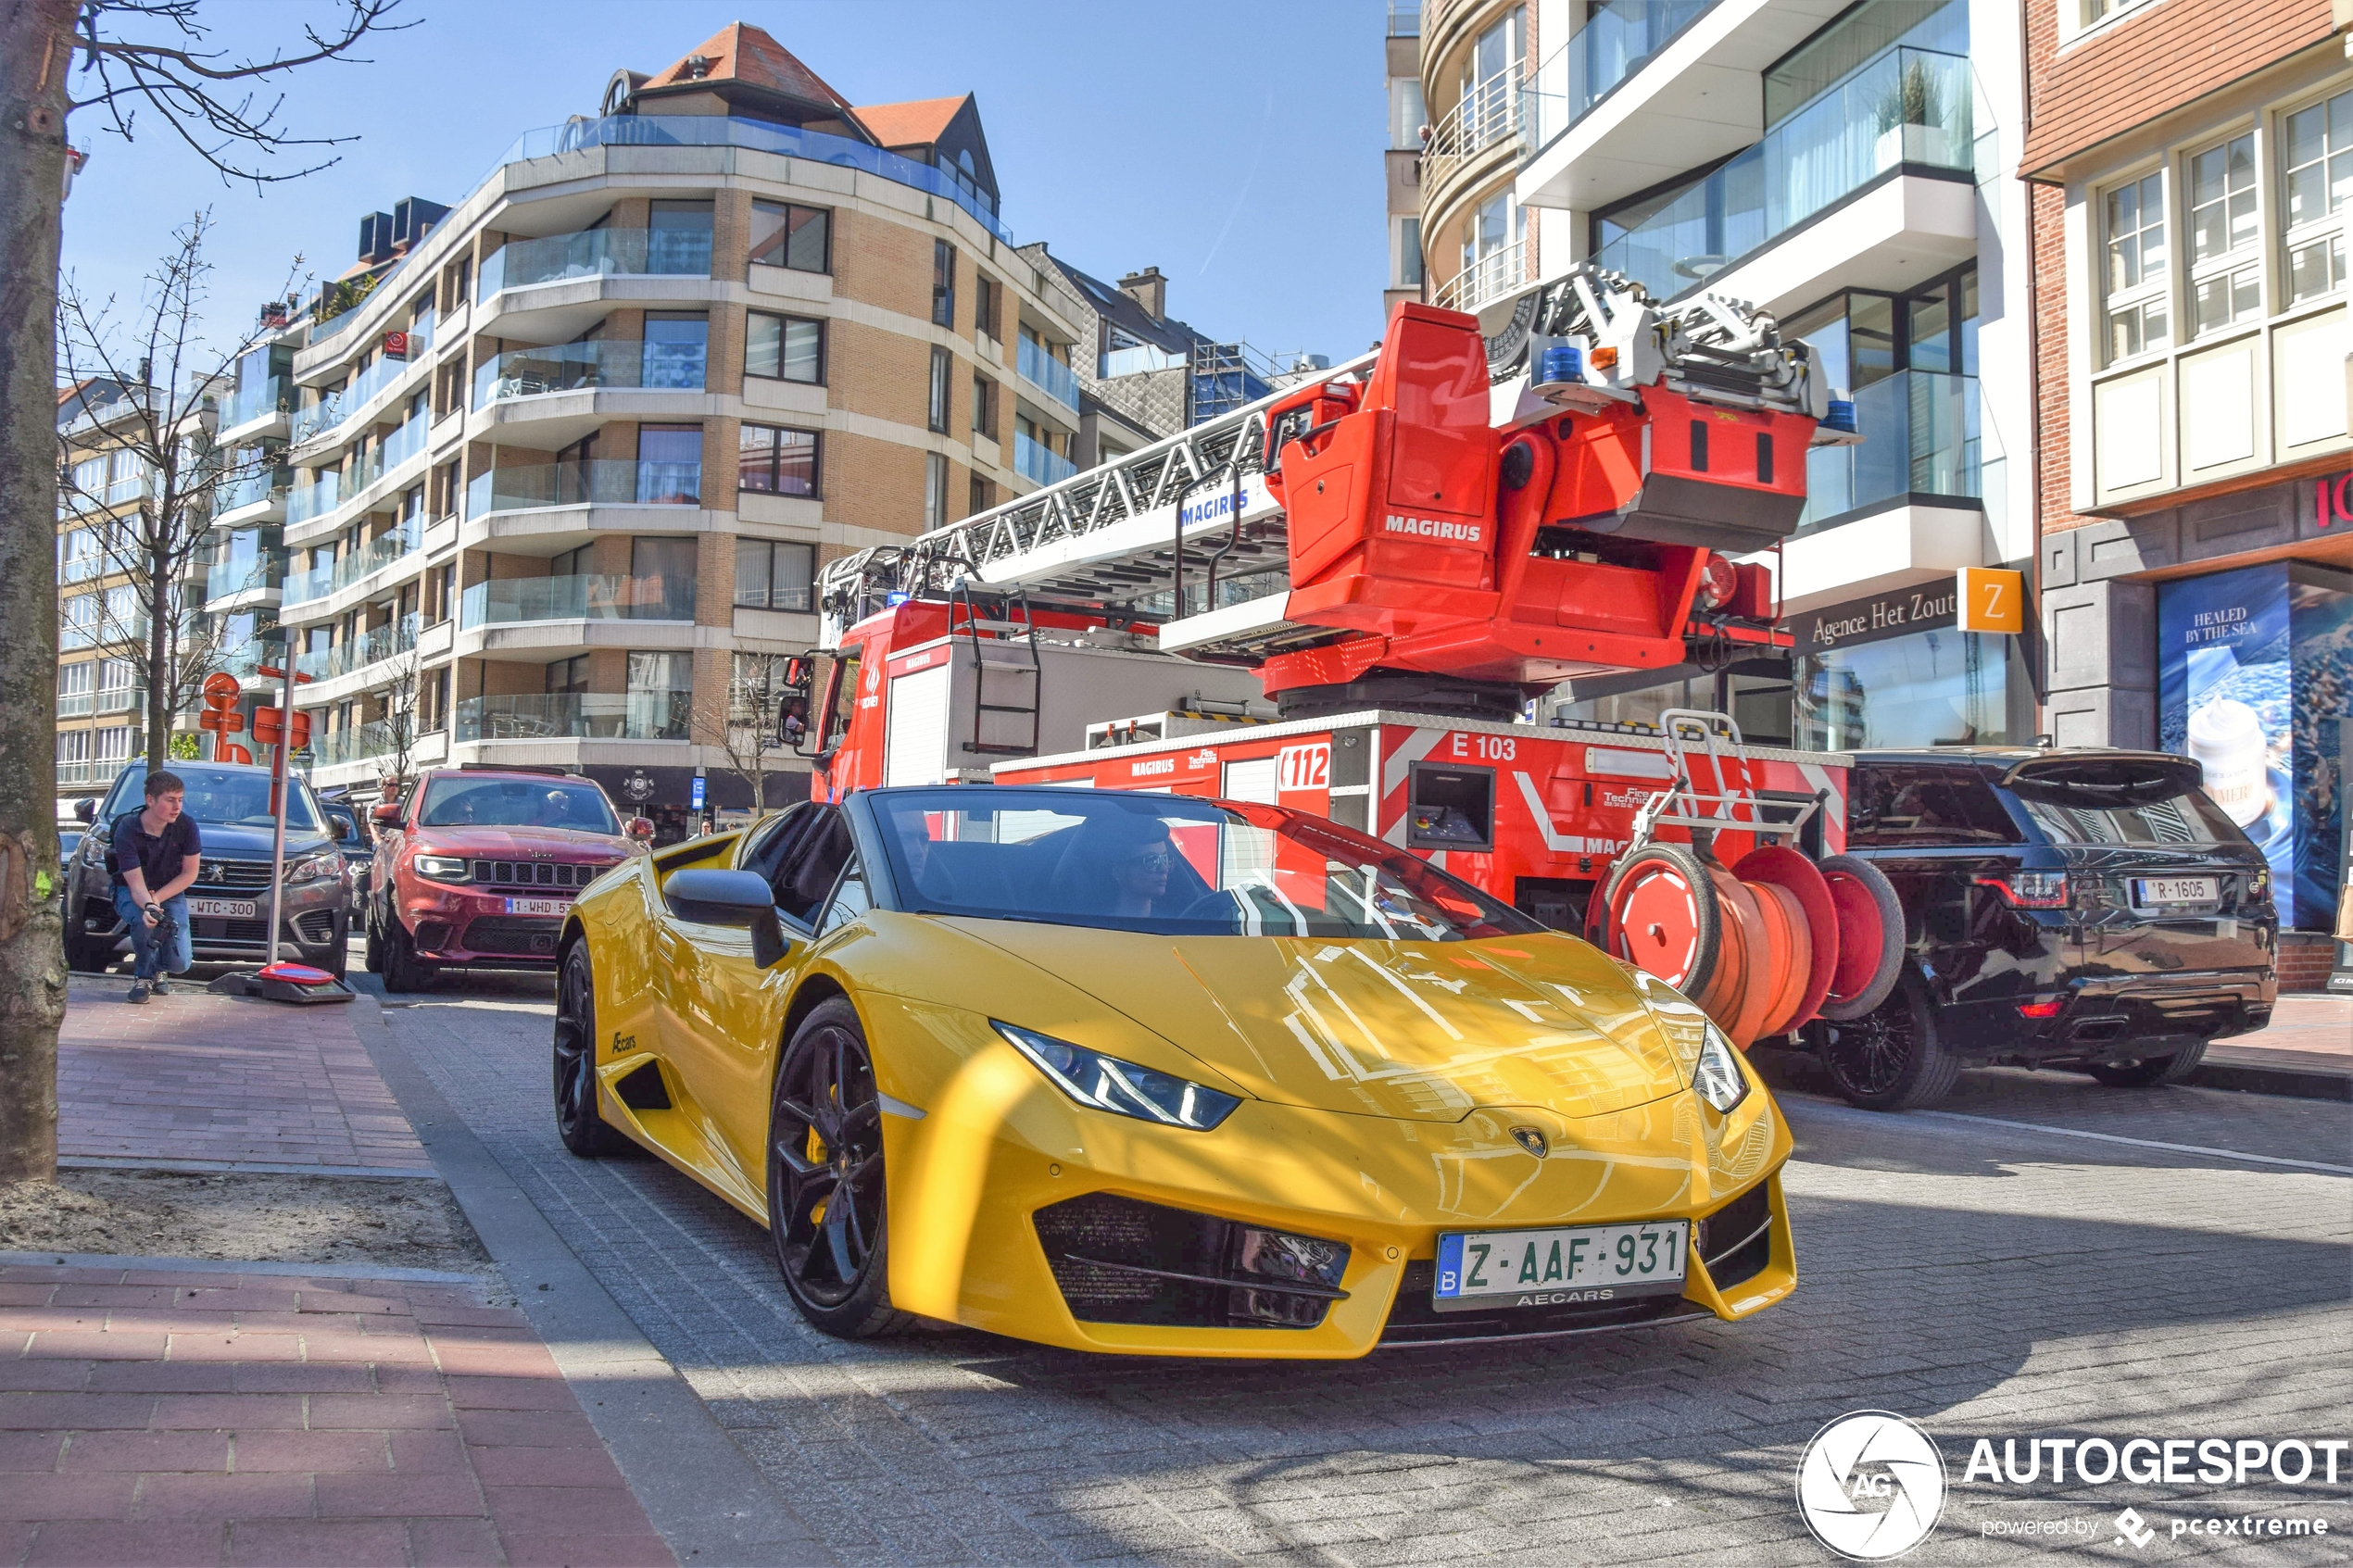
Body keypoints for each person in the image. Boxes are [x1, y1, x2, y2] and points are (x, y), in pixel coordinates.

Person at [111, 770, 200, 1002]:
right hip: (130, 890)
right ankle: (144, 977)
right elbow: (135, 883)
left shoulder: (187, 826)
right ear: (150, 800)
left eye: (180, 800)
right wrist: (150, 906)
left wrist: (157, 899)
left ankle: (161, 967)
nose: (177, 806)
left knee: (180, 964)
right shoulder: (128, 828)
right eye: (170, 800)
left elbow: (190, 873)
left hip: (169, 891)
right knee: (144, 919)